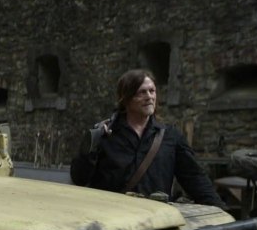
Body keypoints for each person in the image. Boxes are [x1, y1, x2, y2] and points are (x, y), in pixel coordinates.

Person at [70, 69, 226, 208]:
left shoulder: (170, 137)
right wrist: (89, 147)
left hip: (155, 223)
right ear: (125, 99)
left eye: (152, 91)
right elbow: (79, 178)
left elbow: (195, 179)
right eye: (141, 92)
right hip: (112, 221)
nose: (149, 97)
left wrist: (225, 219)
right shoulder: (105, 135)